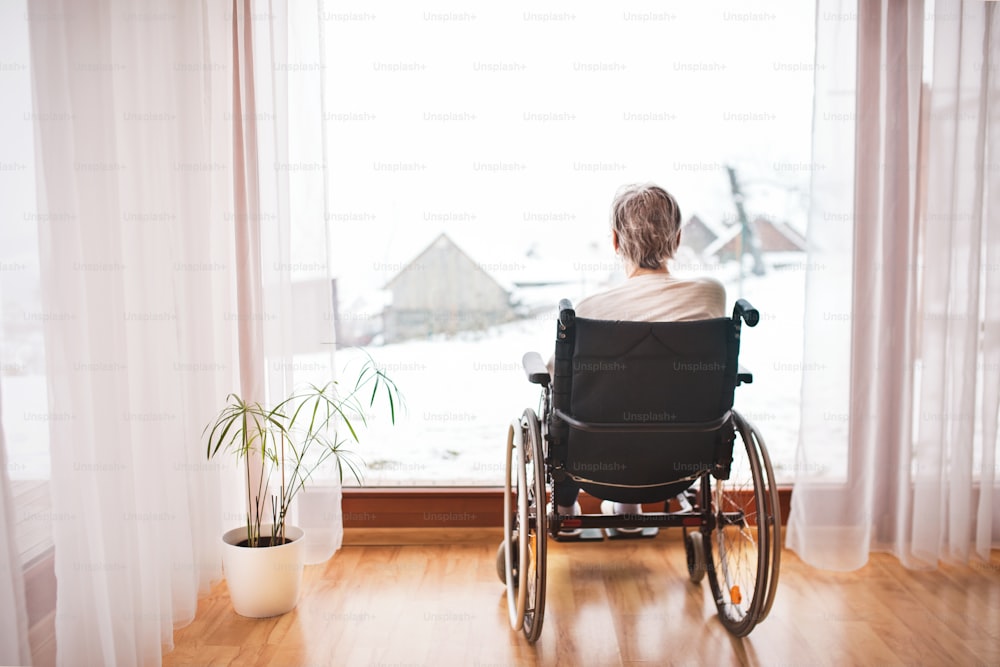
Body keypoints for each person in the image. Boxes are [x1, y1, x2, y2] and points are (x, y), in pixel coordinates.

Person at [555, 183, 726, 534]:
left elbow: (559, 379)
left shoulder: (591, 311)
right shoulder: (711, 295)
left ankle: (565, 508)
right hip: (683, 461)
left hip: (598, 463)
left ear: (616, 242)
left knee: (563, 407)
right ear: (677, 240)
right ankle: (628, 506)